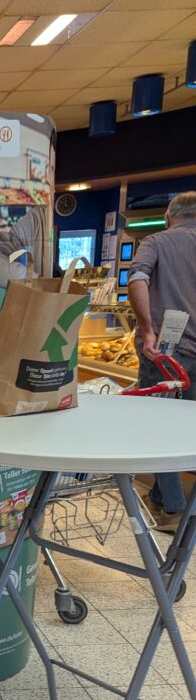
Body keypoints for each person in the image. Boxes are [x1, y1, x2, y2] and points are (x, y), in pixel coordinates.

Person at [128, 191, 196, 534]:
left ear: (170, 215)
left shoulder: (156, 241)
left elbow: (137, 278)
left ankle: (173, 509)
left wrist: (147, 330)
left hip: (166, 354)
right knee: (188, 429)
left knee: (158, 429)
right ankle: (162, 496)